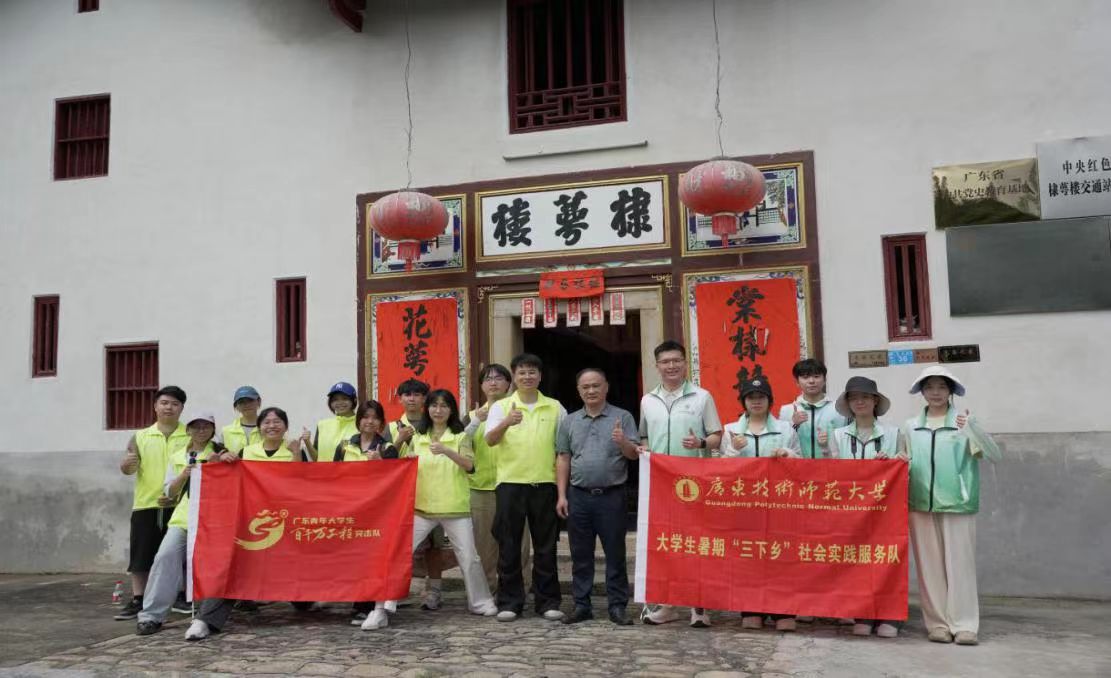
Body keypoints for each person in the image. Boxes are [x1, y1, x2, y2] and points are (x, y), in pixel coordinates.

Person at [362, 390, 497, 631]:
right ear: (428, 409)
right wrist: (380, 461)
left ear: (451, 410)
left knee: (469, 558)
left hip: (454, 508)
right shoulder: (418, 436)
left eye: (444, 406)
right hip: (422, 508)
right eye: (434, 405)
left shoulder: (460, 436)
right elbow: (404, 465)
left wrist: (446, 450)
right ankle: (381, 609)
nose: (438, 410)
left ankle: (480, 602)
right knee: (397, 554)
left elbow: (470, 465)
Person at [903, 366, 999, 646]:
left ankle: (965, 625)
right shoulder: (911, 426)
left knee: (960, 565)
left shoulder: (962, 422)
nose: (935, 392)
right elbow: (906, 459)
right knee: (929, 567)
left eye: (942, 387)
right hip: (920, 504)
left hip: (958, 502)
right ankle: (938, 624)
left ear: (951, 391)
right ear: (922, 392)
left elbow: (993, 454)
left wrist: (972, 428)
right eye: (929, 387)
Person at [186, 407, 302, 640]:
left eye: (277, 421)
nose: (272, 426)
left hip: (288, 523)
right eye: (266, 422)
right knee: (232, 565)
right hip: (250, 523)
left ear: (286, 427)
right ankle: (204, 620)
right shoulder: (247, 452)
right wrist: (218, 464)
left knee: (303, 580)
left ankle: (306, 599)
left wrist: (297, 455)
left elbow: (303, 483)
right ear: (259, 428)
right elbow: (230, 481)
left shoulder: (293, 450)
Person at [638, 340, 722, 628]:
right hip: (660, 483)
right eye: (665, 362)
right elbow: (644, 436)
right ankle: (667, 605)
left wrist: (701, 443)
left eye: (676, 361)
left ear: (686, 364)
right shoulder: (648, 400)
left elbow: (717, 436)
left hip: (694, 484)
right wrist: (644, 448)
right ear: (657, 365)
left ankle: (699, 607)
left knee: (696, 543)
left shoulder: (702, 397)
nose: (671, 366)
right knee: (665, 544)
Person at [135, 411, 236, 635]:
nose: (201, 430)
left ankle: (207, 615)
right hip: (183, 517)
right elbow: (169, 491)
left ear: (213, 430)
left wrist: (221, 464)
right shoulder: (178, 456)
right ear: (188, 429)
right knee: (165, 556)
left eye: (206, 426)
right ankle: (151, 616)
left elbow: (233, 480)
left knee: (216, 564)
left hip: (214, 519)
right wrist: (184, 475)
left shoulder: (221, 452)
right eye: (196, 426)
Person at [485, 353, 567, 622]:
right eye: (522, 372)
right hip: (510, 484)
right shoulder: (501, 406)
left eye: (532, 372)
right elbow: (490, 440)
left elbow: (563, 450)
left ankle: (548, 601)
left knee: (546, 546)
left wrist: (562, 491)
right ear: (514, 377)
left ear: (540, 376)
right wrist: (506, 422)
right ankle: (509, 602)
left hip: (545, 484)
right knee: (509, 545)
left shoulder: (555, 407)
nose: (527, 376)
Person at [555, 368, 639, 626]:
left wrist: (623, 441)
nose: (591, 391)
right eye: (586, 387)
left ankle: (617, 606)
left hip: (612, 496)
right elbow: (563, 458)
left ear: (606, 387)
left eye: (596, 385)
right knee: (580, 554)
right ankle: (582, 605)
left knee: (615, 553)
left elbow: (633, 454)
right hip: (578, 496)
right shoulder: (569, 421)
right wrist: (561, 495)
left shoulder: (622, 417)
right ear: (579, 391)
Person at [719, 378, 801, 632]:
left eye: (761, 397)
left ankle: (782, 610)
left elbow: (801, 464)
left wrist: (787, 455)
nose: (756, 401)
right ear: (743, 402)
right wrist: (733, 450)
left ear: (769, 400)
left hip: (779, 504)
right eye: (751, 397)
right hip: (744, 504)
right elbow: (722, 470)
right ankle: (751, 608)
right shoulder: (731, 430)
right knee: (748, 556)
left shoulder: (785, 429)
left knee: (780, 555)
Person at [828, 376, 905, 638]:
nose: (859, 402)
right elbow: (833, 475)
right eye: (854, 398)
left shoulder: (894, 433)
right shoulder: (838, 435)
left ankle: (890, 614)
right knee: (858, 561)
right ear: (848, 404)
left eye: (865, 397)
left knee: (888, 560)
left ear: (875, 401)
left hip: (887, 512)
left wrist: (892, 462)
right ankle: (863, 613)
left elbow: (905, 468)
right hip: (852, 512)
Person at [115, 385, 190, 621]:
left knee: (179, 554)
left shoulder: (190, 435)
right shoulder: (140, 436)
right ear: (155, 406)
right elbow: (129, 467)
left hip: (180, 505)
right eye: (164, 403)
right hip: (146, 503)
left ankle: (182, 595)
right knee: (141, 555)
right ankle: (139, 599)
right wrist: (125, 466)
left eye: (175, 404)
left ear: (181, 408)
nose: (169, 408)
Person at [386, 378, 445, 611]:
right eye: (407, 394)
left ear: (425, 399)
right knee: (400, 544)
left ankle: (435, 590)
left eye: (417, 394)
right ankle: (400, 590)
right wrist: (399, 440)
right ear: (399, 399)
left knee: (434, 544)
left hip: (431, 490)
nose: (412, 398)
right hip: (400, 495)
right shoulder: (391, 427)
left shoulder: (435, 424)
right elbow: (382, 460)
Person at [338, 400, 400, 625]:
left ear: (381, 423)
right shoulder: (345, 446)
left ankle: (368, 606)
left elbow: (394, 481)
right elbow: (334, 475)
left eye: (375, 418)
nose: (369, 421)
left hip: (377, 513)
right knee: (354, 558)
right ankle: (357, 601)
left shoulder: (388, 448)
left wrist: (380, 462)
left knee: (372, 559)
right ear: (358, 420)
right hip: (350, 508)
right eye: (365, 417)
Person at [462, 363, 513, 592]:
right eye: (488, 379)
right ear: (481, 385)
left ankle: (516, 590)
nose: (493, 382)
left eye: (499, 378)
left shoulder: (518, 411)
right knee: (484, 545)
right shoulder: (471, 416)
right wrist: (475, 422)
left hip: (513, 485)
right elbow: (457, 445)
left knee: (517, 543)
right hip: (481, 488)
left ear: (508, 383)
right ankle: (487, 591)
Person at [778, 359, 846, 460]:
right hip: (797, 466)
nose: (811, 381)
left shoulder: (839, 409)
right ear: (797, 382)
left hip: (832, 465)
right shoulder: (787, 411)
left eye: (816, 376)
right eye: (805, 377)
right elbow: (781, 444)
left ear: (824, 380)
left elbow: (847, 442)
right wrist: (793, 424)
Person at [302, 382, 359, 462]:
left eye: (344, 398)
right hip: (324, 470)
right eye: (335, 399)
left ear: (354, 400)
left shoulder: (361, 424)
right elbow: (316, 459)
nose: (340, 403)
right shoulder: (322, 425)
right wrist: (307, 442)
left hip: (352, 470)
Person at [221, 386, 262, 455]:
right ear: (236, 406)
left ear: (259, 401)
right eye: (241, 402)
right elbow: (219, 455)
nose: (246, 405)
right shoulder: (226, 431)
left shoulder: (269, 429)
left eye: (250, 400)